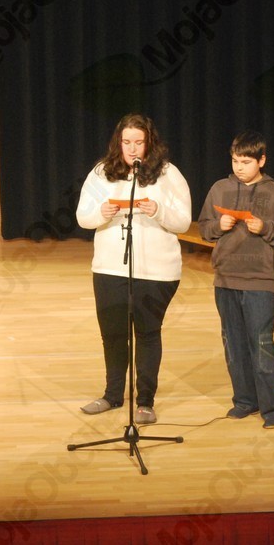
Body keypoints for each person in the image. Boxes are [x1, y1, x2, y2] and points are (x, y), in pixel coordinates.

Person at [76, 114, 191, 424]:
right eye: (126, 142)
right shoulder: (101, 173)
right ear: (119, 143)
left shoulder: (168, 174)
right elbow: (83, 217)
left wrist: (159, 210)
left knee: (147, 333)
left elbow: (183, 222)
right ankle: (112, 395)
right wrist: (102, 212)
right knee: (113, 334)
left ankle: (145, 402)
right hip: (110, 268)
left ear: (149, 143)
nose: (132, 149)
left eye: (138, 142)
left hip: (156, 272)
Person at [198, 131, 274, 429]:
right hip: (226, 278)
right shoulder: (220, 188)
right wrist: (219, 225)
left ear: (261, 160)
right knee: (234, 345)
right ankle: (245, 401)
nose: (239, 167)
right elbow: (204, 228)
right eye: (235, 161)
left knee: (261, 344)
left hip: (260, 280)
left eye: (246, 162)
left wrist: (266, 227)